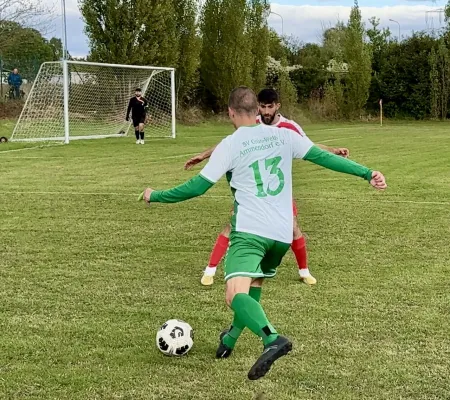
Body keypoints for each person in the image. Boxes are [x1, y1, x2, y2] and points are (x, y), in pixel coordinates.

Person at [139, 86, 387, 380]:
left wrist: (155, 195)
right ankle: (229, 338)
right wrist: (367, 173)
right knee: (252, 285)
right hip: (282, 235)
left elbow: (197, 187)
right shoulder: (285, 135)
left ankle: (272, 338)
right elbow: (324, 157)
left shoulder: (230, 144)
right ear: (258, 110)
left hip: (250, 232)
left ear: (230, 112)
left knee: (233, 295)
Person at [185, 88, 350, 286]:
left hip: (277, 192)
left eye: (269, 107)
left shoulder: (289, 127)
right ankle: (210, 270)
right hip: (252, 192)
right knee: (232, 226)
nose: (265, 111)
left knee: (294, 228)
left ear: (277, 106)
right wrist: (203, 155)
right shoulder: (252, 123)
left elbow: (310, 146)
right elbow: (229, 145)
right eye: (262, 107)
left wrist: (333, 150)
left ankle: (304, 271)